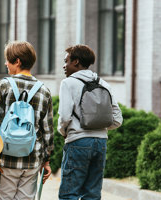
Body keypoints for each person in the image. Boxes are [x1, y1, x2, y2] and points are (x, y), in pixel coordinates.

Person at [0, 41, 54, 200]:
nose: (5, 63)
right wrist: (46, 161)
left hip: (5, 160)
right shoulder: (44, 90)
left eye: (7, 60)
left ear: (17, 61)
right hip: (32, 160)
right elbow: (47, 131)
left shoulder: (4, 86)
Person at [57, 45, 123, 200]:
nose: (64, 65)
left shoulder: (68, 83)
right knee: (92, 193)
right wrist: (99, 126)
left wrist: (63, 131)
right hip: (101, 143)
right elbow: (117, 119)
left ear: (76, 62)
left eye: (66, 61)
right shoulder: (104, 83)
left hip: (78, 141)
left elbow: (65, 117)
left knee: (69, 193)